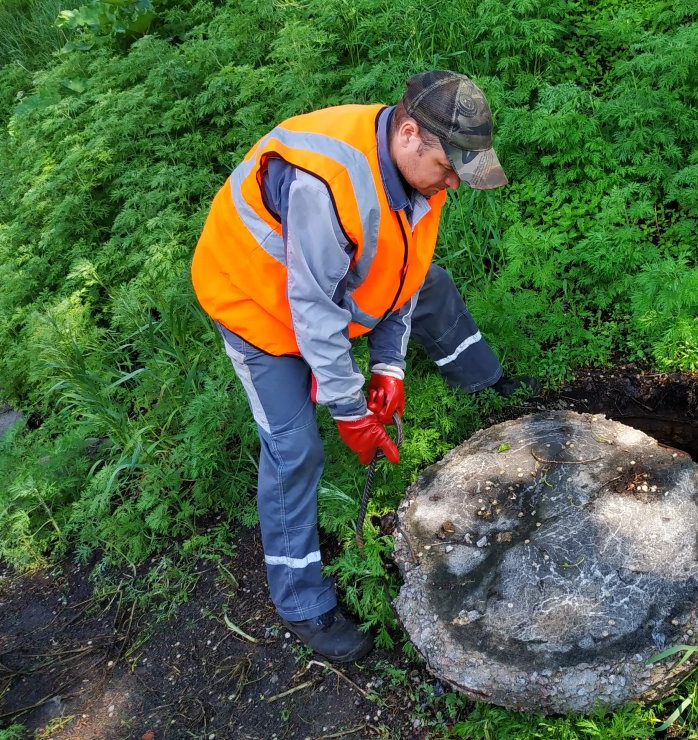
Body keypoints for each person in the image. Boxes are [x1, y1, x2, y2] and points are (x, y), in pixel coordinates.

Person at [191, 71, 532, 663]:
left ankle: (483, 379)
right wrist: (348, 408)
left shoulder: (422, 175)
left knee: (436, 286)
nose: (453, 183)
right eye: (449, 168)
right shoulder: (325, 184)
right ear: (409, 134)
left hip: (327, 287)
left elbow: (405, 276)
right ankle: (300, 601)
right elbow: (314, 316)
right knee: (295, 449)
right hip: (257, 305)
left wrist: (389, 371)